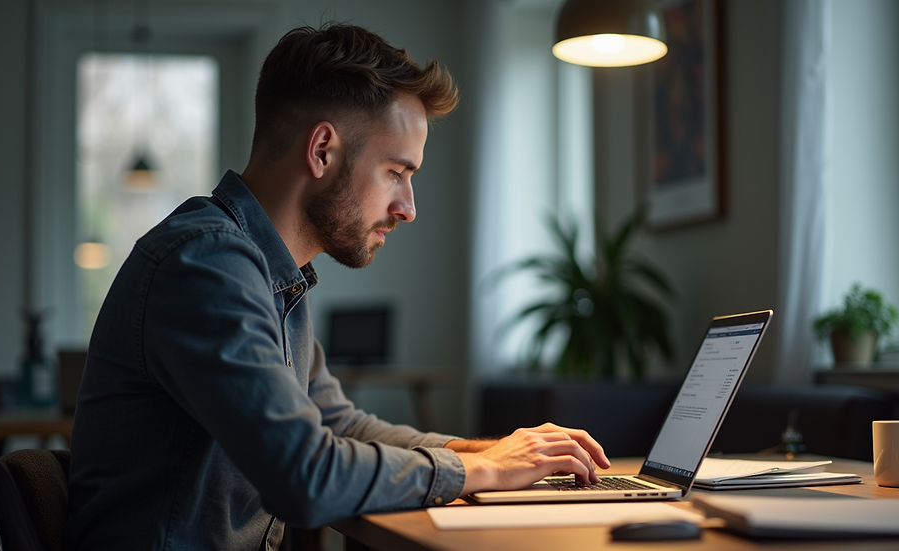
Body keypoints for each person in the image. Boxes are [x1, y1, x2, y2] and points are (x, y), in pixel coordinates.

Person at [65, 23, 610, 551]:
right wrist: (480, 468)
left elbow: (340, 425)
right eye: (397, 171)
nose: (408, 208)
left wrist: (499, 452)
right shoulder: (206, 265)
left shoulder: (271, 280)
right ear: (322, 149)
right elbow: (305, 475)